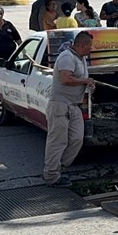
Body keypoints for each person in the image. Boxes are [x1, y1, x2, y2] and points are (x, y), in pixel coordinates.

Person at [43, 31, 95, 188]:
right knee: (58, 141)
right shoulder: (67, 57)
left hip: (74, 105)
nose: (91, 49)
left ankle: (60, 167)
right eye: (90, 46)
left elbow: (78, 79)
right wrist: (85, 80)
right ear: (82, 45)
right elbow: (66, 78)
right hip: (60, 105)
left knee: (77, 138)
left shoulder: (81, 58)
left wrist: (88, 85)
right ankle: (51, 175)